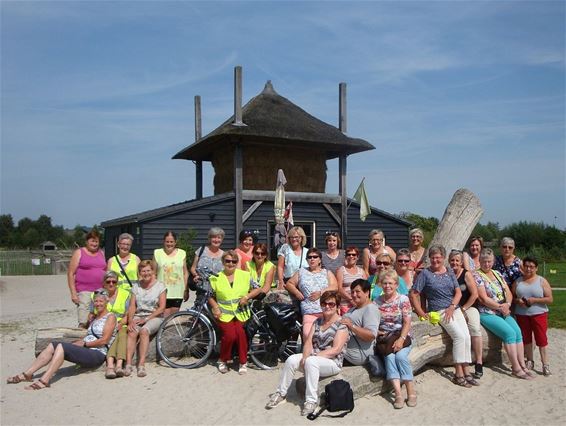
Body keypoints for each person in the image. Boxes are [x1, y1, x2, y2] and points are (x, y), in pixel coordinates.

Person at [7, 289, 116, 389]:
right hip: (87, 349)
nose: (98, 304)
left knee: (61, 347)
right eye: (96, 301)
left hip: (97, 354)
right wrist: (80, 342)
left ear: (106, 302)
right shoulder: (94, 317)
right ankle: (27, 374)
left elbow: (104, 340)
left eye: (101, 301)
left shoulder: (110, 317)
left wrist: (84, 344)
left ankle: (45, 379)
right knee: (53, 345)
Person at [265, 291, 349, 416]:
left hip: (333, 362)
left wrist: (312, 357)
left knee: (311, 361)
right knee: (292, 359)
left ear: (337, 306)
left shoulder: (341, 324)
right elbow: (308, 341)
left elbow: (336, 349)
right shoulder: (318, 321)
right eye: (324, 303)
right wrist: (305, 356)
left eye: (331, 304)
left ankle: (311, 401)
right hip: (315, 358)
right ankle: (281, 393)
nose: (327, 306)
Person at [410, 245, 477, 387]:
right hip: (439, 310)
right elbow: (414, 293)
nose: (435, 260)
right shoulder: (425, 274)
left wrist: (452, 307)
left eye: (438, 257)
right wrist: (421, 312)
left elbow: (458, 292)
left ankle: (466, 369)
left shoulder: (449, 272)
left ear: (443, 258)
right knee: (458, 336)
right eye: (433, 257)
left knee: (466, 336)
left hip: (453, 308)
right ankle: (458, 372)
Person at [474, 248, 534, 380]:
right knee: (509, 333)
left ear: (493, 261)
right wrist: (500, 307)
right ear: (480, 261)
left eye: (489, 261)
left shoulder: (497, 273)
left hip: (503, 309)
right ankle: (516, 368)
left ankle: (522, 365)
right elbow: (483, 298)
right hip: (488, 312)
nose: (487, 264)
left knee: (518, 332)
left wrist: (507, 304)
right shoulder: (477, 275)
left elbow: (507, 291)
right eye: (484, 261)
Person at [208, 250, 264, 375]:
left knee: (240, 334)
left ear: (237, 262)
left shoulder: (244, 275)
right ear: (223, 262)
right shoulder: (215, 277)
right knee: (230, 336)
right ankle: (223, 359)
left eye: (234, 261)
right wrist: (215, 307)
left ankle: (243, 362)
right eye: (227, 261)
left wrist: (247, 297)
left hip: (241, 313)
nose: (230, 263)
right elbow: (209, 295)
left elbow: (257, 288)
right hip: (224, 314)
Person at [375, 271, 416, 409]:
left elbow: (407, 322)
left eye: (390, 283)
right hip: (386, 338)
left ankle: (410, 390)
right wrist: (376, 331)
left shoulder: (403, 299)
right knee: (390, 358)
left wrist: (401, 339)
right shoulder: (377, 302)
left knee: (400, 357)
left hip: (402, 335)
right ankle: (398, 393)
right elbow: (373, 322)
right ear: (381, 285)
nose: (387, 286)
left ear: (396, 284)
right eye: (385, 283)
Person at [512, 256, 553, 376]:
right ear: (523, 267)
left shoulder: (541, 281)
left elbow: (550, 299)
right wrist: (517, 301)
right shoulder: (518, 281)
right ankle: (530, 360)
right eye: (526, 266)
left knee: (541, 339)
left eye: (531, 267)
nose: (529, 269)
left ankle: (545, 364)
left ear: (536, 268)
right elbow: (512, 297)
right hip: (522, 314)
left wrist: (535, 300)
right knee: (526, 339)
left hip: (539, 314)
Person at [285, 247, 338, 339]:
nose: (312, 259)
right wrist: (297, 292)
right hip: (309, 311)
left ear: (320, 259)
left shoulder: (326, 272)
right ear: (307, 260)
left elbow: (335, 287)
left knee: (328, 337)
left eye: (315, 257)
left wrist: (321, 292)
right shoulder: (301, 272)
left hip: (326, 311)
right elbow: (289, 283)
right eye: (309, 257)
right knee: (307, 335)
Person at [125, 260, 166, 378]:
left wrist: (147, 319)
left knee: (144, 331)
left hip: (154, 316)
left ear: (153, 271)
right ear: (139, 272)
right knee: (132, 332)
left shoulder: (160, 286)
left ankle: (141, 364)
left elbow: (162, 307)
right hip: (139, 315)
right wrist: (131, 320)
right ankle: (128, 363)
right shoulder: (136, 286)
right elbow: (132, 305)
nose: (146, 273)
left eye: (148, 270)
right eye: (143, 271)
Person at [448, 250, 484, 379]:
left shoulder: (466, 274)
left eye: (457, 260)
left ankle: (479, 361)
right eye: (452, 260)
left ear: (462, 262)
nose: (454, 263)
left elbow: (475, 294)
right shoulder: (447, 274)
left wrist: (463, 308)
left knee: (474, 328)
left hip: (468, 306)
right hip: (452, 308)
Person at [90, 271, 132, 379]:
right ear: (103, 283)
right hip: (103, 323)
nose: (111, 284)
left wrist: (120, 322)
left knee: (121, 335)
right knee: (110, 336)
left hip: (120, 322)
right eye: (108, 281)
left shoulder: (126, 294)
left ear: (117, 282)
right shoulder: (96, 294)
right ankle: (110, 366)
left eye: (114, 281)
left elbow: (128, 314)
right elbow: (91, 313)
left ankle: (118, 365)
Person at [67, 229, 107, 328]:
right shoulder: (79, 252)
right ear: (87, 241)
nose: (94, 243)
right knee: (84, 320)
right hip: (84, 291)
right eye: (92, 241)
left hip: (99, 291)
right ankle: (81, 340)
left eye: (96, 241)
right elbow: (70, 273)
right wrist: (73, 293)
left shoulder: (101, 253)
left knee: (98, 318)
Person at [341, 279, 379, 366]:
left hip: (356, 355)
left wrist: (351, 326)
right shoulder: (354, 308)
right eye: (352, 292)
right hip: (345, 350)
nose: (354, 295)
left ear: (366, 293)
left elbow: (371, 335)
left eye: (357, 291)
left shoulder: (370, 309)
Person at [152, 231, 189, 317]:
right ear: (163, 242)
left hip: (178, 291)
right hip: (162, 291)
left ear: (175, 242)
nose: (169, 244)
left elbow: (185, 272)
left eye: (171, 242)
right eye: (167, 241)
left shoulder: (182, 253)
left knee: (174, 317)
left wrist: (186, 289)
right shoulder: (157, 253)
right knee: (164, 317)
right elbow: (153, 273)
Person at [336, 246, 367, 314]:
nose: (351, 256)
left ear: (358, 257)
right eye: (349, 254)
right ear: (346, 257)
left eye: (353, 254)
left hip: (359, 305)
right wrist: (351, 300)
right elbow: (339, 288)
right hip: (345, 305)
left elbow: (366, 288)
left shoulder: (361, 272)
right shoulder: (341, 270)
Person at [277, 226, 308, 290]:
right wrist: (281, 281)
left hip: (303, 284)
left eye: (296, 237)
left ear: (301, 238)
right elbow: (280, 266)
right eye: (292, 237)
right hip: (287, 282)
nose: (294, 239)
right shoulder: (285, 248)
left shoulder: (307, 252)